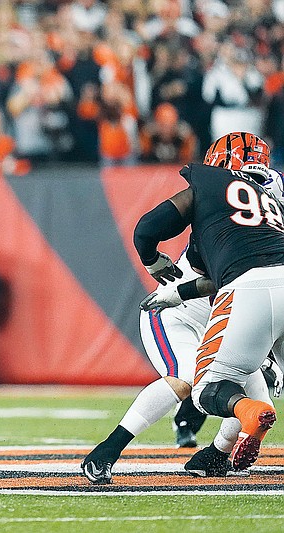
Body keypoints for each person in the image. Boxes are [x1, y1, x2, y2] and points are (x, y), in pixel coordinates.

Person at [131, 131, 284, 473]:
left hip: (238, 292)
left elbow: (149, 230)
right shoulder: (273, 192)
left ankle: (214, 428)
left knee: (210, 387)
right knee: (255, 377)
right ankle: (215, 452)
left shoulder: (212, 188)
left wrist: (175, 288)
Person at [81, 241, 278, 484]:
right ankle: (107, 450)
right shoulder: (240, 230)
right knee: (186, 378)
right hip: (176, 311)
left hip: (222, 326)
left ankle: (214, 457)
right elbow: (223, 282)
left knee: (261, 405)